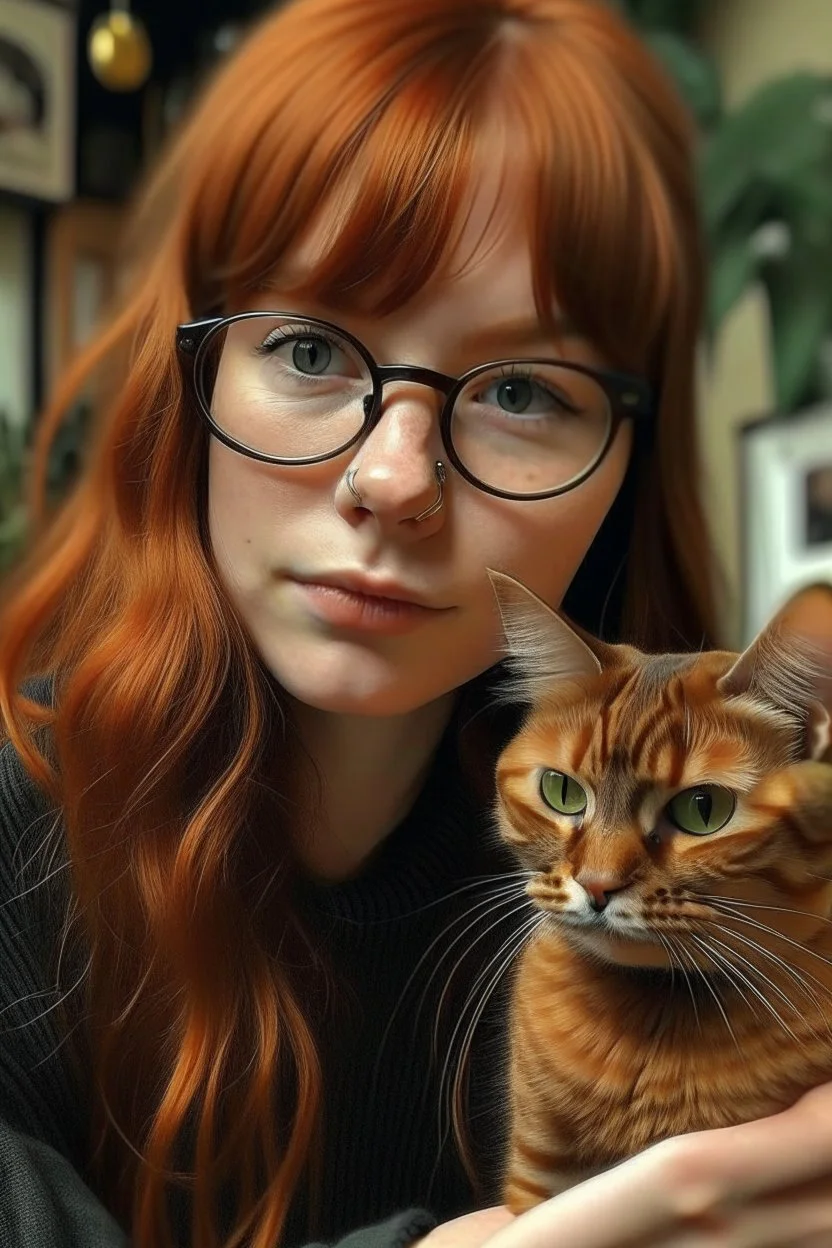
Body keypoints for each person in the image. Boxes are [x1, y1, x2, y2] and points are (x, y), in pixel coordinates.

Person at [0, 0, 830, 1246]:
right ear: (194, 375)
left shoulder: (729, 903)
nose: (392, 478)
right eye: (307, 349)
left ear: (621, 473)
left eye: (515, 391)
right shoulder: (20, 833)